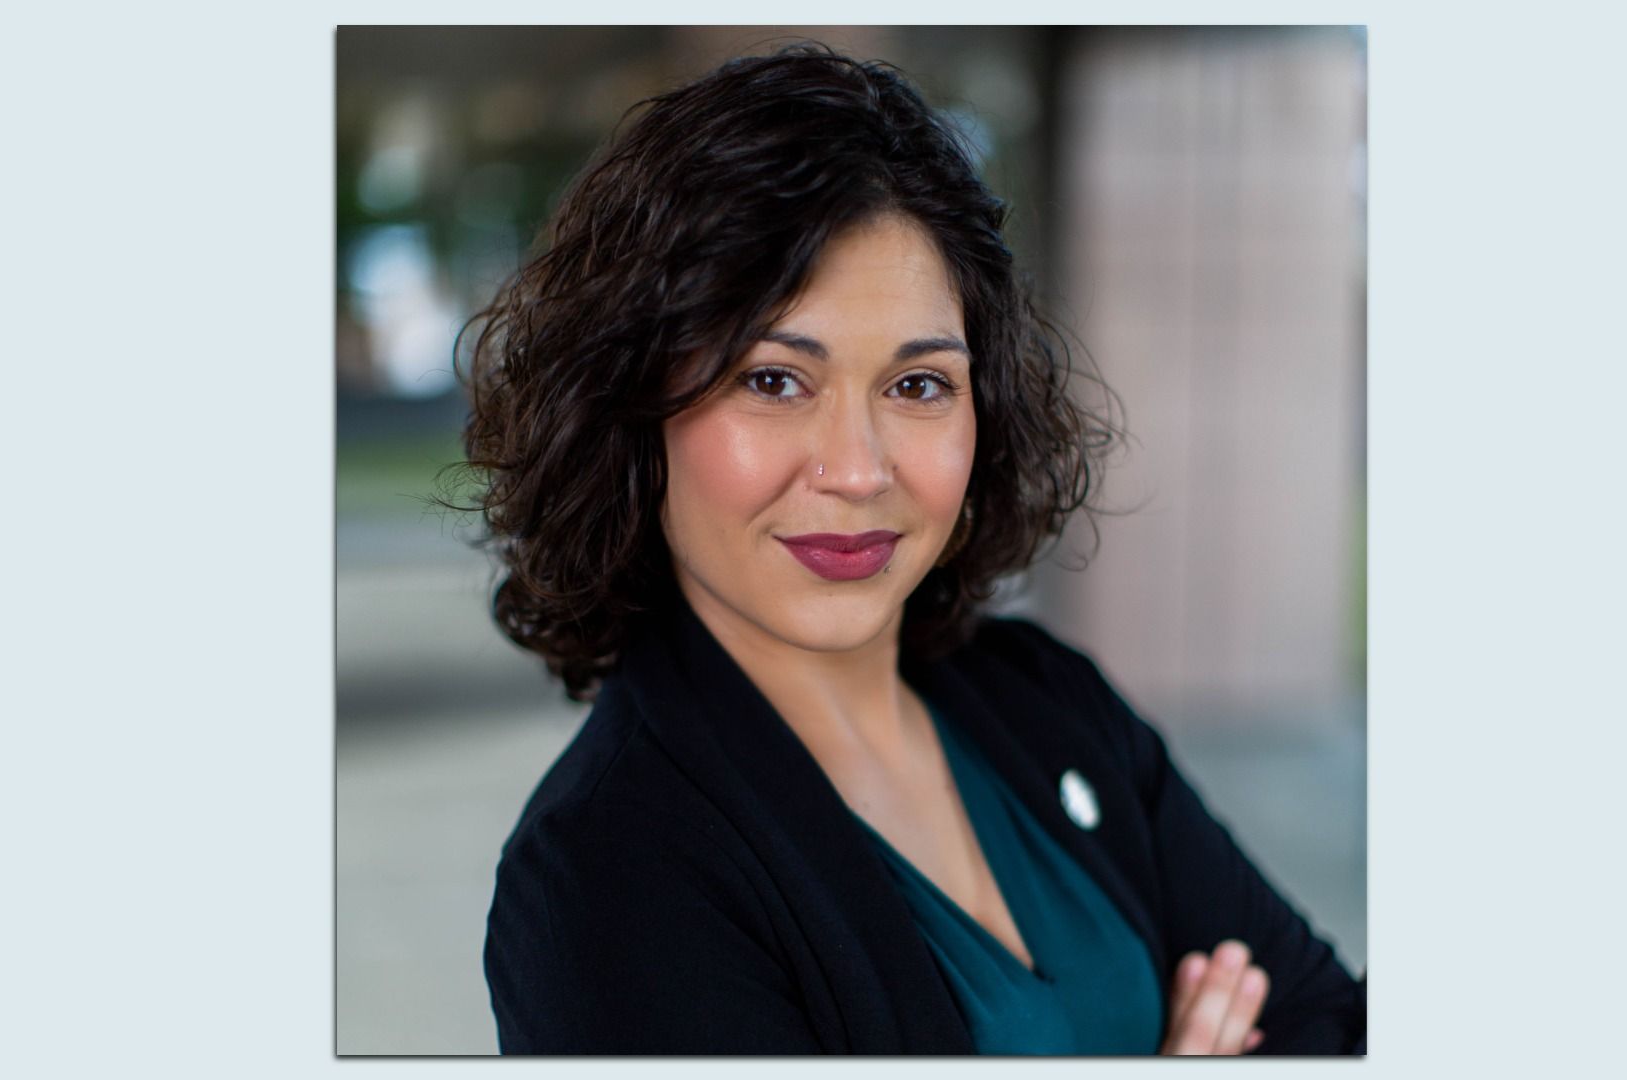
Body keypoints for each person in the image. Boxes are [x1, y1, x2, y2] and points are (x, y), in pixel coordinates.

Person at [460, 44, 1365, 1055]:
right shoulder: (607, 876)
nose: (857, 470)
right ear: (633, 411)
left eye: (917, 385)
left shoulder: (1045, 702)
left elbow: (1338, 1024)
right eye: (772, 380)